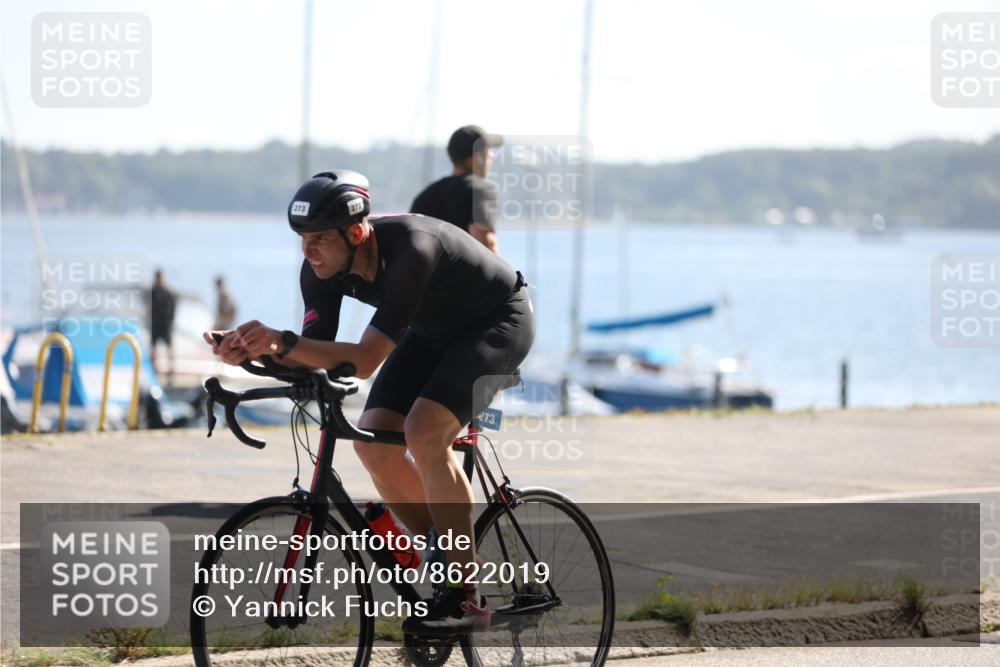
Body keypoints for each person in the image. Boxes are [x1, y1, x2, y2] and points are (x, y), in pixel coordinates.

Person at [204, 169, 534, 635]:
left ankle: (466, 592)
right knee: (372, 442)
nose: (308, 250)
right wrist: (252, 352)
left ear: (356, 234)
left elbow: (363, 361)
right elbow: (315, 353)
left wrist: (281, 341)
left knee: (424, 432)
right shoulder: (319, 270)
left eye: (320, 238)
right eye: (303, 239)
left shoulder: (412, 250)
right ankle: (447, 554)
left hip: (497, 323)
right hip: (432, 332)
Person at [411, 125, 503, 254]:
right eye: (489, 151)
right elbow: (486, 243)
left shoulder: (424, 196)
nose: (492, 156)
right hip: (463, 268)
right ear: (478, 156)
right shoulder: (480, 190)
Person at [149, 269, 177, 382]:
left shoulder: (168, 293)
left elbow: (173, 308)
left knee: (169, 348)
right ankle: (154, 370)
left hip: (165, 325)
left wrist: (170, 321)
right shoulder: (153, 292)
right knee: (153, 348)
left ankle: (171, 370)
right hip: (155, 325)